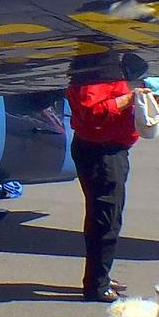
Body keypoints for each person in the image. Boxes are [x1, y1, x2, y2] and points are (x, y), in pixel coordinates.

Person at [66, 76, 140, 301]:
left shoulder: (104, 65)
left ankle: (101, 276)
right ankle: (96, 285)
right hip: (101, 151)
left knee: (109, 216)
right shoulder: (95, 69)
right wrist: (129, 99)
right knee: (105, 218)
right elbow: (92, 112)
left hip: (111, 148)